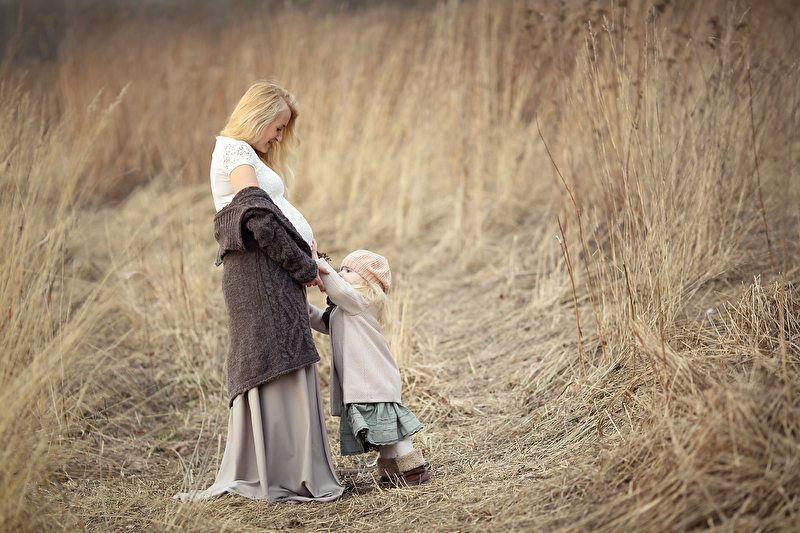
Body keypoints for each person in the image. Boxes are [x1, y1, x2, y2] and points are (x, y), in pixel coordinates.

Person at [176, 80, 343, 503]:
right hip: (258, 276)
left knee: (286, 353)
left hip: (271, 271)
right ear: (258, 116)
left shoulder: (245, 153)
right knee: (274, 358)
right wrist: (305, 266)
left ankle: (290, 467)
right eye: (278, 126)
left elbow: (269, 214)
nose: (280, 137)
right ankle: (279, 471)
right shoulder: (234, 151)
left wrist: (306, 255)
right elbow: (256, 216)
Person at [308, 249, 430, 486]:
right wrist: (299, 304)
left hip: (375, 380)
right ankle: (392, 474)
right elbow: (322, 322)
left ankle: (415, 471)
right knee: (382, 434)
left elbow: (338, 290)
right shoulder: (345, 307)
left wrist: (317, 264)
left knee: (393, 432)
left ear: (367, 281)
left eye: (348, 270)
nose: (340, 274)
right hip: (365, 383)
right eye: (340, 269)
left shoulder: (362, 301)